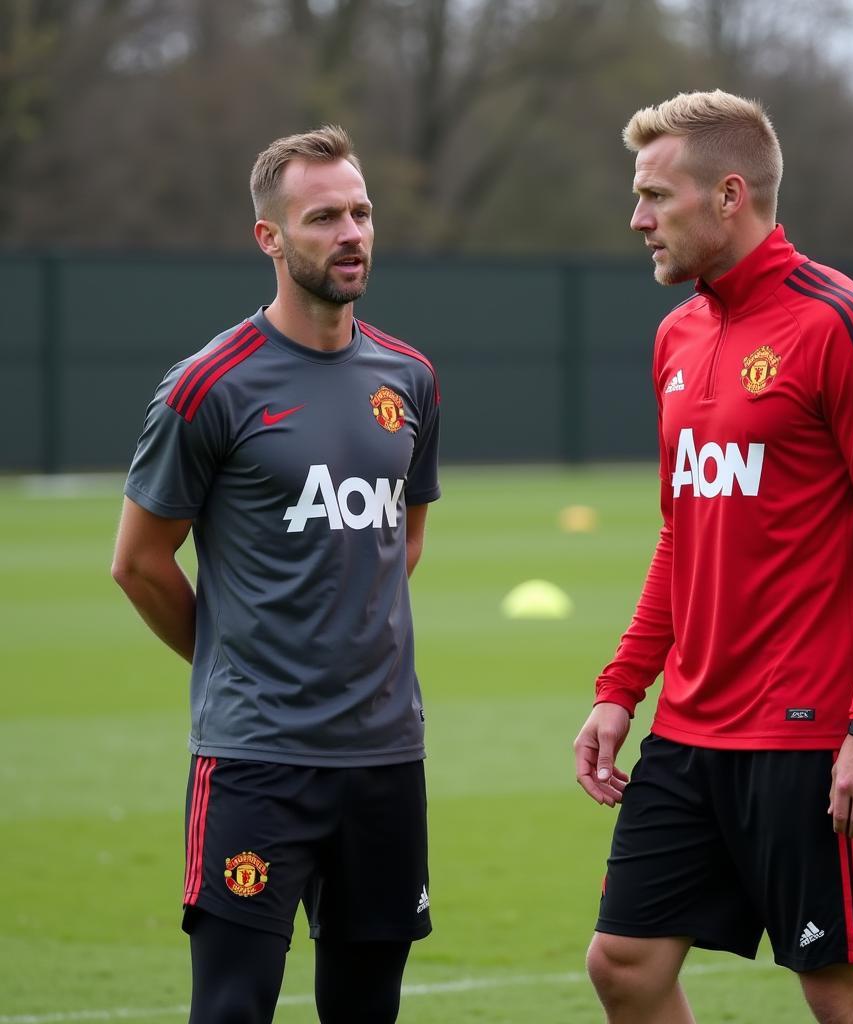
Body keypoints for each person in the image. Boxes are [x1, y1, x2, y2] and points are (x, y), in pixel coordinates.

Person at [573, 90, 853, 1024]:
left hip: (808, 738)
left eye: (657, 196)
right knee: (624, 965)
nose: (638, 219)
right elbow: (681, 533)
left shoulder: (841, 322)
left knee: (843, 995)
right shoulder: (678, 334)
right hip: (691, 733)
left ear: (729, 195)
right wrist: (621, 689)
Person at [111, 125, 441, 1024]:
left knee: (367, 1010)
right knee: (230, 1009)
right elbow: (138, 563)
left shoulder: (409, 379)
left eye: (362, 212)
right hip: (257, 761)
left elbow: (400, 541)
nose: (352, 233)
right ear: (271, 237)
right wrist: (233, 659)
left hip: (384, 757)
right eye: (325, 215)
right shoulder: (208, 387)